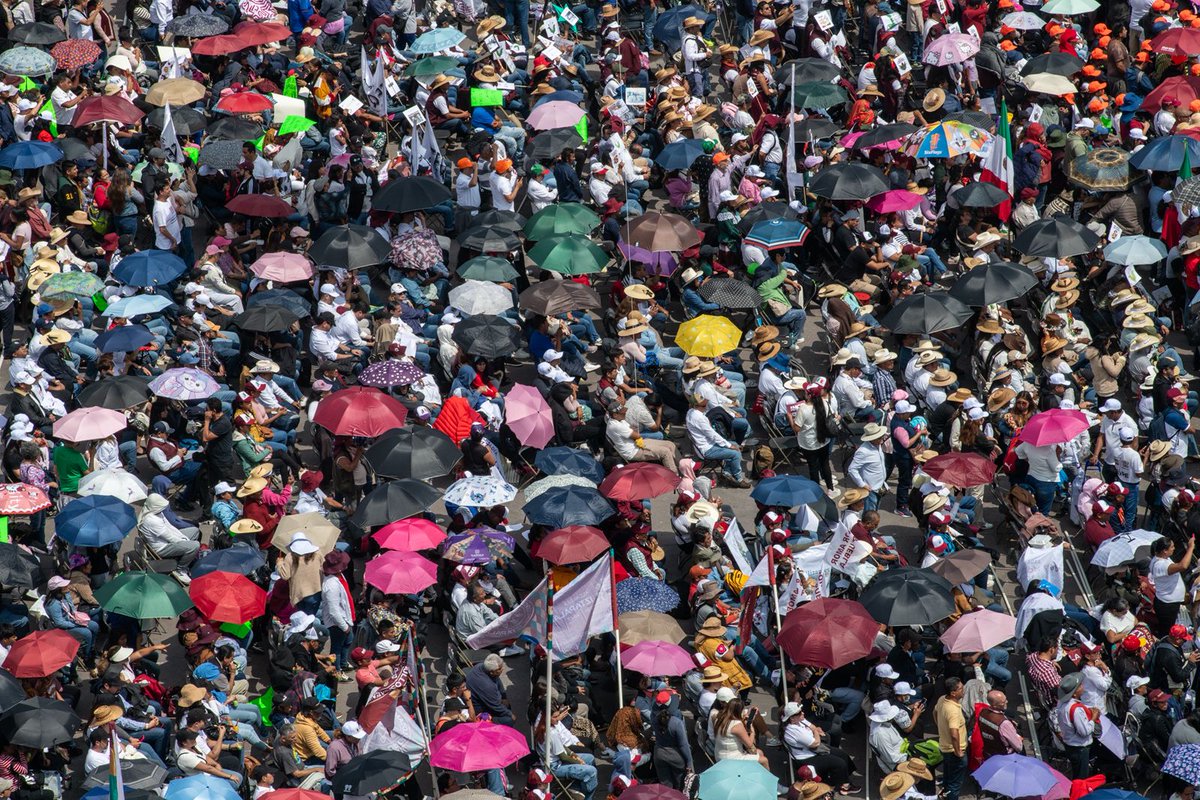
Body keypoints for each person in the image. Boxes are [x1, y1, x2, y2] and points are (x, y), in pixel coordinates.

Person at [935, 677, 968, 800]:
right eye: (960, 688)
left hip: (944, 747)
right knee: (955, 784)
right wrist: (958, 751)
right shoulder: (953, 710)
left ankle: (944, 795)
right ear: (953, 693)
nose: (963, 690)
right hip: (954, 751)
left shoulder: (942, 699)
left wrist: (940, 728)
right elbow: (954, 734)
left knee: (948, 778)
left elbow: (935, 712)